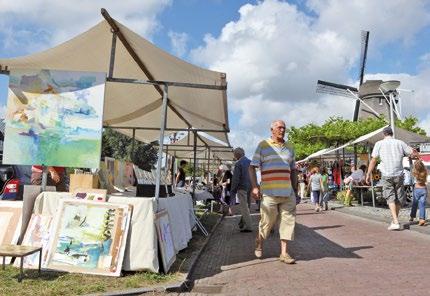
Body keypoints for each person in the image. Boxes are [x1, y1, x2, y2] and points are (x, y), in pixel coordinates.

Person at [249, 119, 298, 264]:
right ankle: (259, 241)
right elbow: (252, 167)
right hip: (269, 192)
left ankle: (284, 253)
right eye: (279, 127)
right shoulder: (263, 145)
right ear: (272, 130)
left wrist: (295, 189)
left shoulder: (290, 147)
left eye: (284, 128)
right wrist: (255, 186)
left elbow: (293, 169)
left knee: (288, 222)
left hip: (287, 193)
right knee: (267, 222)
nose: (282, 130)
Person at [366, 126, 417, 230]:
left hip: (386, 174)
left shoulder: (379, 144)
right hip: (399, 174)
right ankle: (395, 220)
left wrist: (368, 173)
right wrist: (413, 154)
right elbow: (412, 154)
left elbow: (373, 160)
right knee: (398, 198)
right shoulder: (400, 142)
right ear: (392, 133)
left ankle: (396, 221)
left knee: (390, 197)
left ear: (384, 134)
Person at [230, 147, 252, 232]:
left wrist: (233, 190)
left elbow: (236, 178)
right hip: (250, 186)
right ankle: (242, 223)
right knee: (247, 206)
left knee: (244, 207)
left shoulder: (238, 163)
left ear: (237, 155)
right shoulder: (250, 162)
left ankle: (249, 226)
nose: (234, 156)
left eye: (234, 154)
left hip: (242, 187)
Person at [409, 160, 427, 226]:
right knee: (422, 205)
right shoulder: (425, 172)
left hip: (417, 189)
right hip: (424, 189)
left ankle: (412, 217)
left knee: (415, 204)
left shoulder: (414, 172)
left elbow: (411, 167)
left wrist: (411, 160)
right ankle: (422, 219)